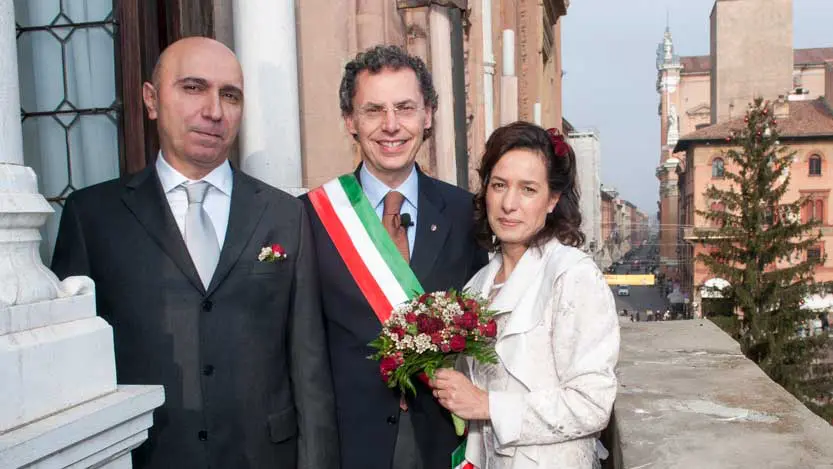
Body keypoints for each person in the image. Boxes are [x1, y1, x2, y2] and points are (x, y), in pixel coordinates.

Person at [51, 37, 338, 469]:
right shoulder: (92, 218)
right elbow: (70, 369)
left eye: (230, 95)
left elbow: (309, 362)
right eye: (192, 87)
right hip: (146, 455)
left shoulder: (284, 214)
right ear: (151, 100)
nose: (214, 110)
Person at [301, 45, 488, 469]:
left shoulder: (467, 214)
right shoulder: (312, 217)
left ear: (429, 115)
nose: (391, 126)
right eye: (373, 111)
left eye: (405, 108)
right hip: (351, 447)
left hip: (445, 442)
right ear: (350, 120)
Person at [432, 122, 619, 468]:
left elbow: (593, 404)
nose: (509, 203)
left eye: (528, 189)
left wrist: (488, 405)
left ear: (552, 200)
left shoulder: (572, 275)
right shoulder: (477, 286)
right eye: (499, 185)